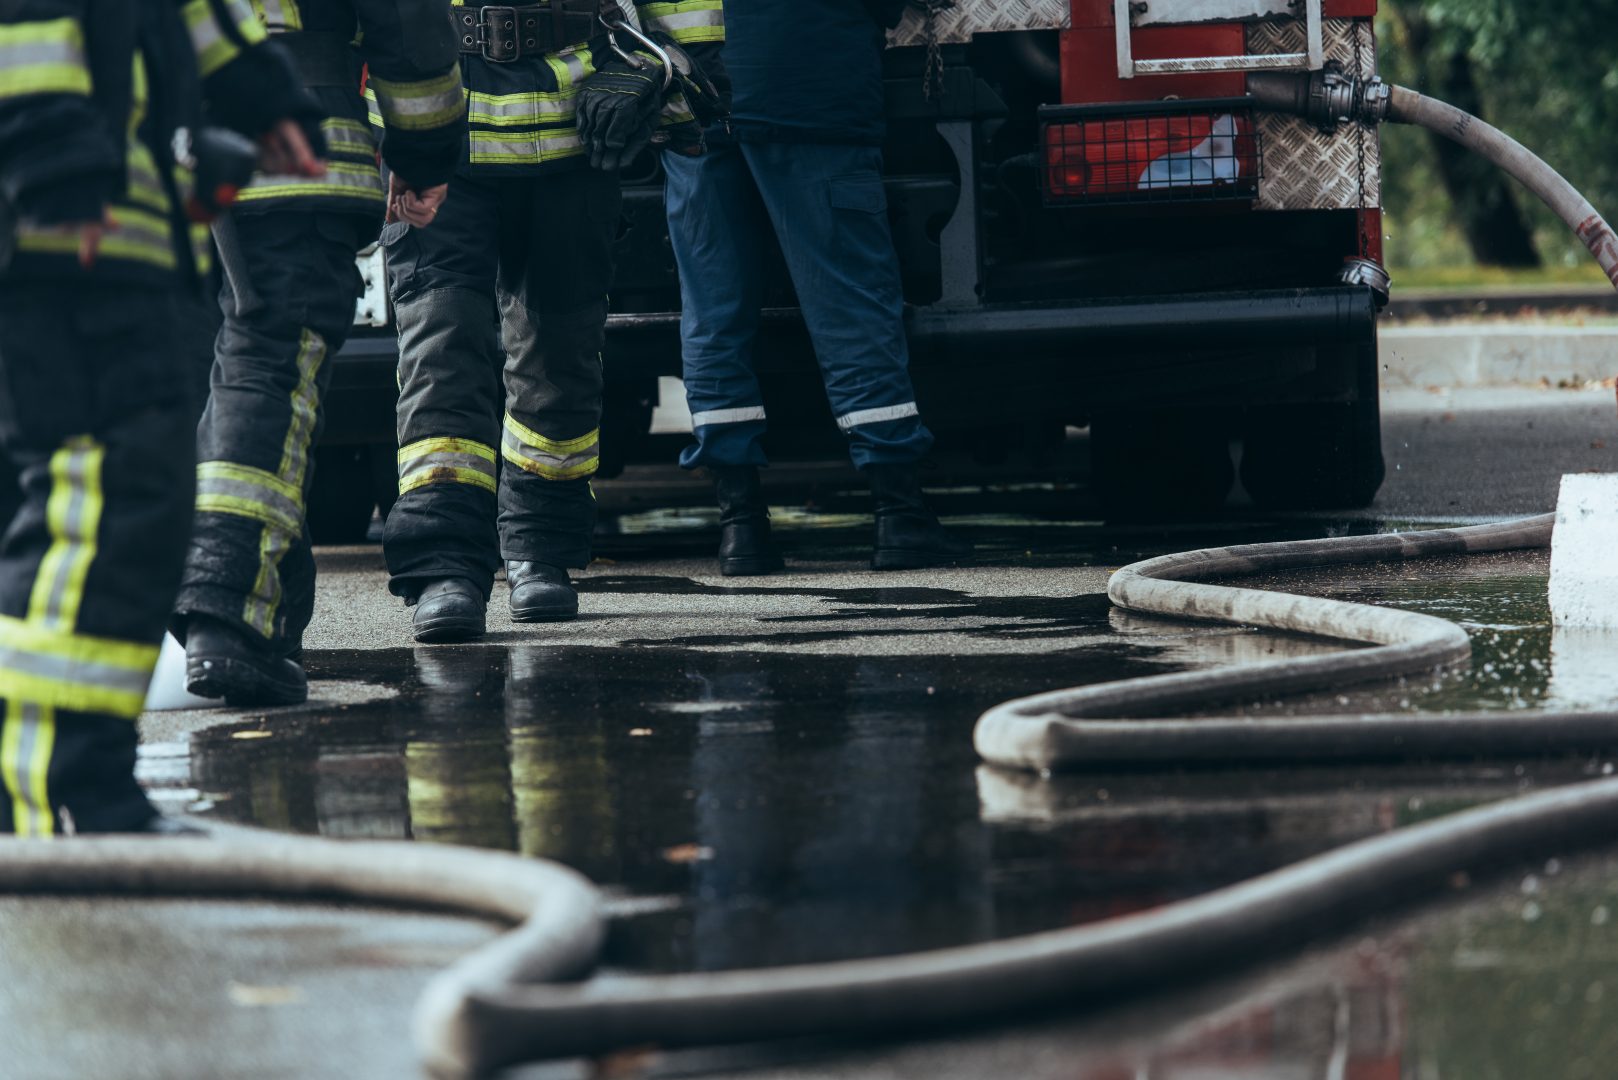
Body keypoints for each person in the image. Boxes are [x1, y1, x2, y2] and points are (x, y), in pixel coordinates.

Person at [0, 0, 324, 836]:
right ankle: (58, 788)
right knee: (94, 506)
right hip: (57, 241)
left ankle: (75, 782)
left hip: (114, 248)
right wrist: (50, 154)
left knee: (123, 508)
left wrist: (264, 97)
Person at [381, 0, 724, 643]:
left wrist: (656, 75)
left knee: (559, 355)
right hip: (440, 144)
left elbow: (693, 25)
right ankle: (446, 567)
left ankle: (540, 549)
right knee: (442, 351)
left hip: (576, 141)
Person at [173, 0, 466, 707]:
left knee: (215, 390)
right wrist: (424, 155)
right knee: (268, 375)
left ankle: (263, 621)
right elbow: (408, 30)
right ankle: (226, 616)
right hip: (291, 156)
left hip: (149, 163)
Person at [662, 0, 971, 576]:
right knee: (850, 307)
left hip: (695, 101)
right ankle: (898, 514)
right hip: (809, 92)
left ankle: (741, 528)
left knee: (713, 314)